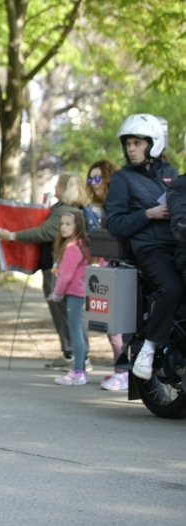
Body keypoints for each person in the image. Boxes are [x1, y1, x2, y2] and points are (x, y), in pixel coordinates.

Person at [104, 114, 180, 380]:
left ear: (153, 144)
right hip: (150, 249)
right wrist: (149, 214)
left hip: (178, 244)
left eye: (137, 143)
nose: (131, 149)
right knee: (172, 287)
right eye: (129, 144)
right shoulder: (122, 179)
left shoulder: (170, 174)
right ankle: (149, 347)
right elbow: (113, 223)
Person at [0, 173, 91, 372]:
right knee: (66, 313)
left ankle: (78, 357)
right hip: (59, 266)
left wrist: (12, 235)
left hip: (57, 267)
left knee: (66, 313)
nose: (55, 188)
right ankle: (70, 353)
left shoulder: (65, 212)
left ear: (64, 187)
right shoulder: (77, 210)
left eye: (57, 185)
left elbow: (43, 232)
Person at [87, 159, 127, 391]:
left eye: (97, 178)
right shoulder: (103, 206)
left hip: (118, 270)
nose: (93, 183)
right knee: (112, 326)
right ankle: (119, 370)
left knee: (116, 327)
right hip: (109, 269)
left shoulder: (115, 204)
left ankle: (123, 373)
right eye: (90, 179)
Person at [47, 210, 91, 385]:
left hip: (75, 293)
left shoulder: (72, 247)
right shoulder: (82, 245)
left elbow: (65, 275)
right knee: (77, 330)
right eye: (62, 224)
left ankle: (78, 372)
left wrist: (57, 294)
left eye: (68, 224)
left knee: (75, 332)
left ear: (78, 226)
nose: (63, 227)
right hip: (80, 292)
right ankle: (80, 370)